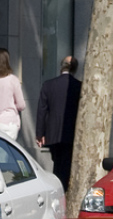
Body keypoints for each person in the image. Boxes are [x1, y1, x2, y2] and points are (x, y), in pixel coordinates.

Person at [35, 55, 82, 190]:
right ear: (75, 69)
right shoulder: (79, 86)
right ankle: (63, 188)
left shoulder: (48, 85)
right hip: (71, 132)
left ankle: (58, 186)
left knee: (57, 162)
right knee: (66, 163)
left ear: (61, 66)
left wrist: (40, 133)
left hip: (53, 133)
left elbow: (42, 111)